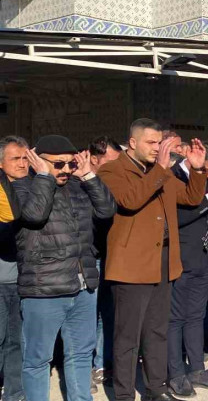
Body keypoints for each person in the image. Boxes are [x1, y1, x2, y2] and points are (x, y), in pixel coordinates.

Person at [98, 119, 208, 401]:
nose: (157, 148)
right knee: (128, 337)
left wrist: (196, 168)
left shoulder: (159, 171)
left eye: (159, 142)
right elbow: (130, 200)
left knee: (157, 331)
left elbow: (192, 198)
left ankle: (156, 389)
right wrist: (161, 169)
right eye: (151, 142)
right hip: (131, 265)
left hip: (163, 260)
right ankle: (124, 394)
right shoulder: (113, 170)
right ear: (132, 142)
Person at [15, 136, 117, 401]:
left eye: (70, 163)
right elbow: (35, 215)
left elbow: (107, 211)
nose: (65, 170)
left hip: (83, 286)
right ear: (38, 161)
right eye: (57, 164)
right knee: (38, 360)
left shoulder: (78, 184)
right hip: (43, 289)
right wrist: (43, 177)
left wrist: (88, 175)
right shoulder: (23, 185)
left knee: (81, 354)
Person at [165, 145, 208, 396]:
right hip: (180, 259)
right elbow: (176, 218)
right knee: (174, 320)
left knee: (195, 316)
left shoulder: (206, 181)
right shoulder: (173, 178)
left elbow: (207, 218)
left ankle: (196, 368)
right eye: (206, 170)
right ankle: (175, 374)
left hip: (203, 259)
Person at [87, 135, 123, 393]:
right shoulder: (80, 185)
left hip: (112, 257)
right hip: (89, 259)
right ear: (93, 159)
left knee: (107, 314)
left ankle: (102, 364)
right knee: (87, 317)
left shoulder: (114, 183)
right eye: (110, 163)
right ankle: (84, 366)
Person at [0, 136, 27, 401]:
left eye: (24, 158)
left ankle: (15, 393)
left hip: (21, 280)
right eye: (15, 158)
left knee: (16, 342)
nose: (22, 164)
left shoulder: (36, 188)